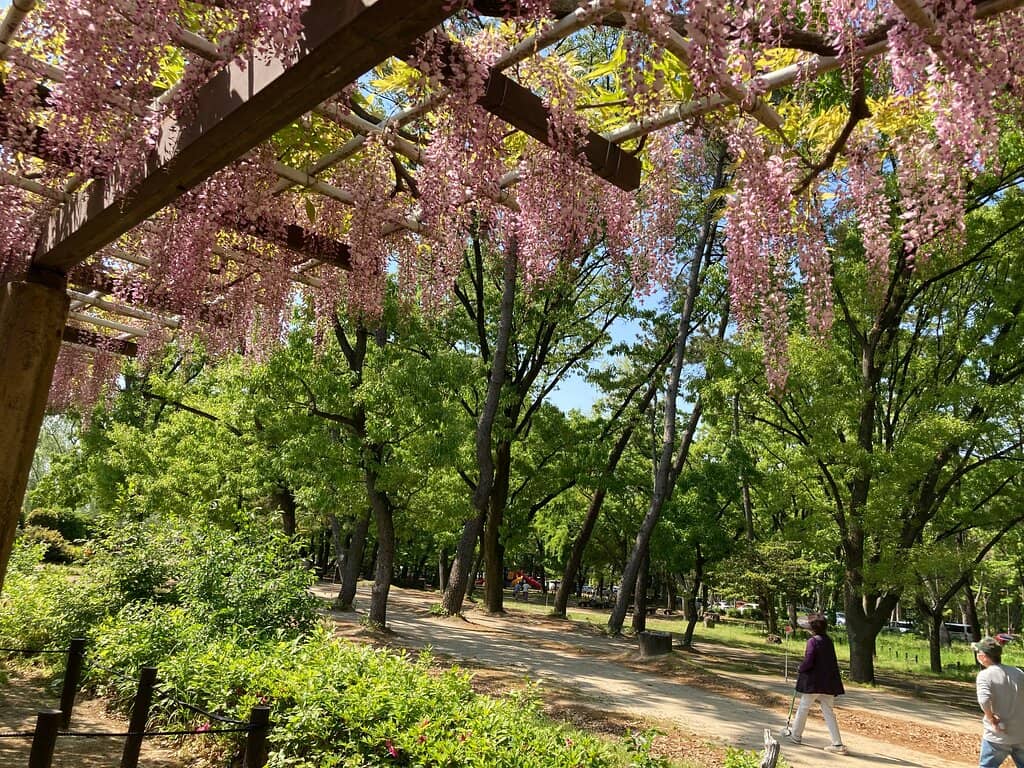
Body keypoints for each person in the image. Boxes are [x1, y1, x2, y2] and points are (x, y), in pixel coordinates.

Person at [788, 615, 848, 755]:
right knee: (828, 711)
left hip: (814, 682)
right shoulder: (828, 641)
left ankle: (796, 735)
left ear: (813, 628)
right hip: (828, 682)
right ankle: (837, 743)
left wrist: (801, 668)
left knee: (804, 707)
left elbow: (809, 661)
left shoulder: (813, 641)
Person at [973, 636, 1024, 768]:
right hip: (1021, 734)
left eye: (978, 652)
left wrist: (991, 718)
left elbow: (984, 700)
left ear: (983, 656)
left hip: (997, 736)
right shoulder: (1018, 673)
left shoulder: (984, 675)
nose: (977, 655)